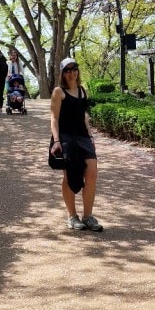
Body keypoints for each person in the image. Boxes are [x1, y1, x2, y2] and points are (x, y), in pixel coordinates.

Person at [50, 57, 103, 232]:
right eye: (67, 70)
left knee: (92, 173)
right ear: (62, 73)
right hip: (66, 137)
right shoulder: (59, 92)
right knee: (70, 176)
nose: (71, 73)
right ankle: (72, 216)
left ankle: (88, 216)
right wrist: (56, 141)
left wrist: (90, 136)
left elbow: (83, 116)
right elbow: (54, 118)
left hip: (82, 136)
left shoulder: (82, 90)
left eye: (74, 69)